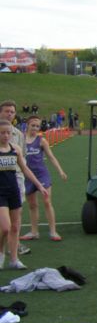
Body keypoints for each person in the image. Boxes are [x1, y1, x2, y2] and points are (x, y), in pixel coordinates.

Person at [0, 119, 48, 270]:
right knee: (5, 228)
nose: (6, 136)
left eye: (8, 133)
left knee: (15, 227)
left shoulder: (15, 149)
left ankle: (14, 259)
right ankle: (1, 252)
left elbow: (25, 169)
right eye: (2, 133)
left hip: (13, 190)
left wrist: (39, 185)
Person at [20, 116, 67, 242]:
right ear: (27, 125)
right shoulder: (21, 140)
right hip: (28, 176)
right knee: (32, 205)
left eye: (37, 126)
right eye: (33, 125)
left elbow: (51, 157)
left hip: (41, 175)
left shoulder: (41, 141)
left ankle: (53, 231)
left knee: (47, 202)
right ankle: (34, 232)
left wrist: (60, 171)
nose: (35, 128)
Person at [0, 101, 31, 257]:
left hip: (15, 177)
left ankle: (15, 244)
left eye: (12, 112)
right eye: (7, 111)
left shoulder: (18, 134)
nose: (10, 114)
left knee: (16, 215)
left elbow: (22, 158)